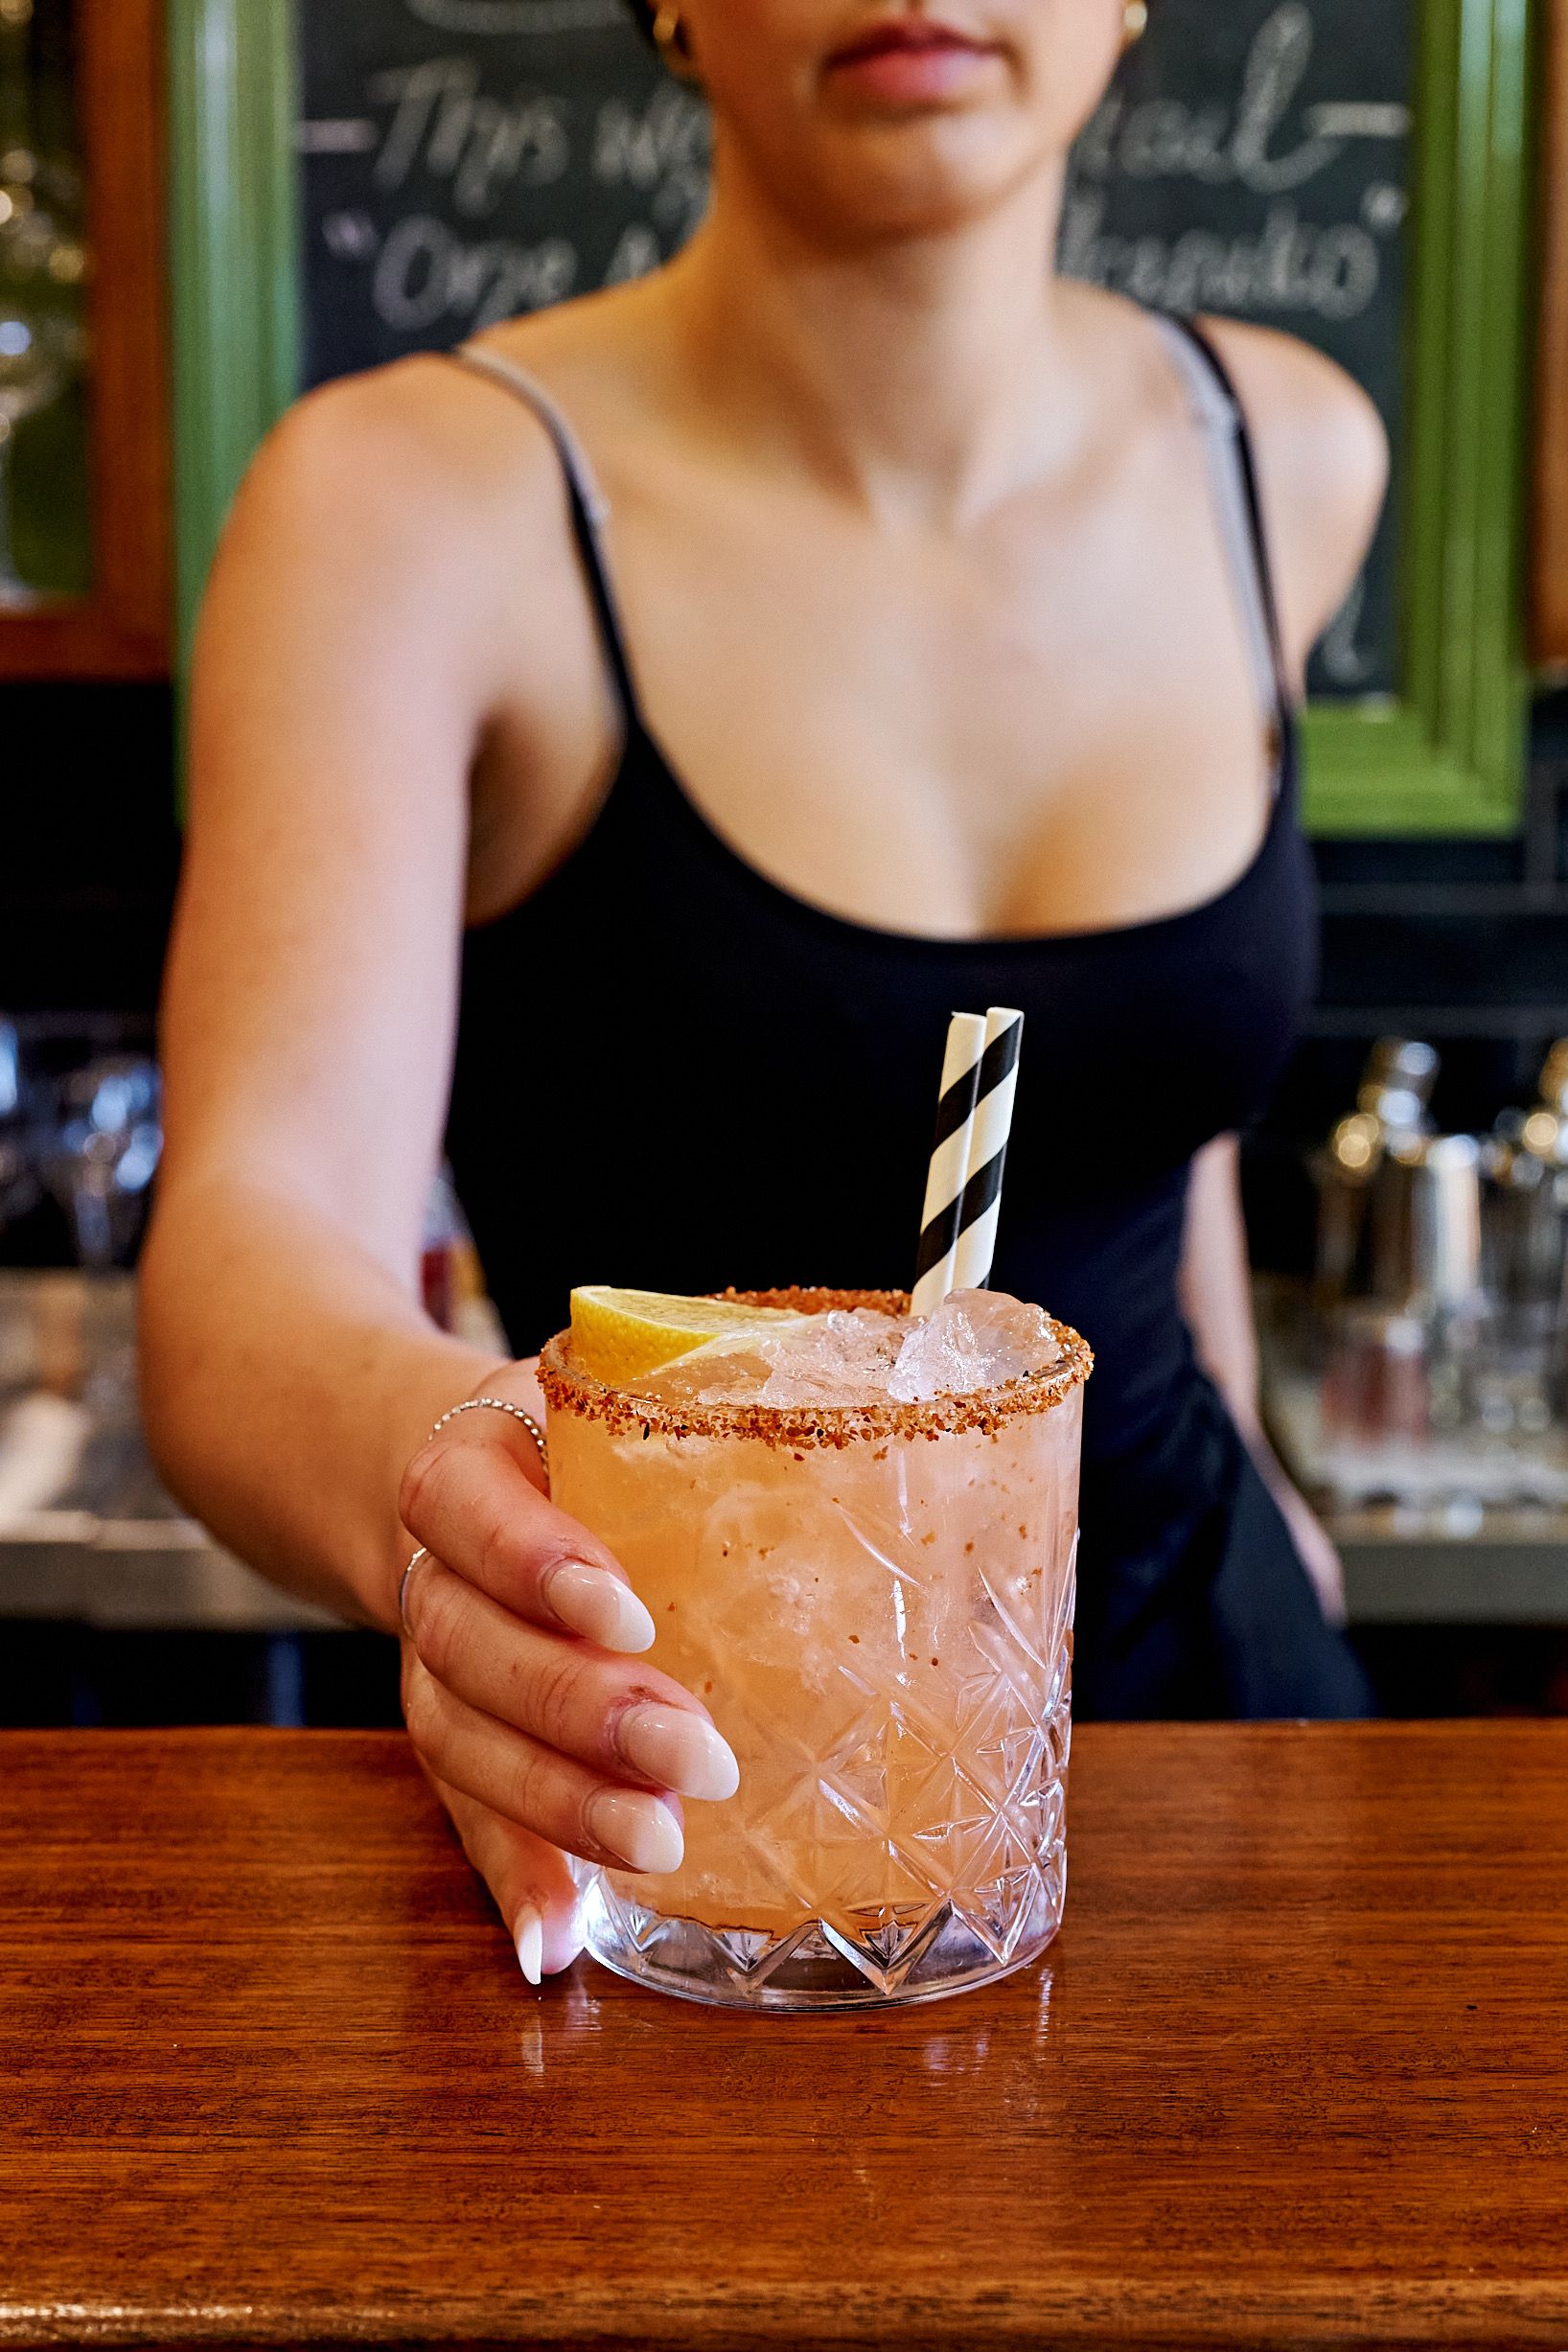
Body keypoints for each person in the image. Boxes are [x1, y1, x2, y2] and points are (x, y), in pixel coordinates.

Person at [141, 0, 1384, 1981]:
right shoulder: (410, 503)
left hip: (1223, 1730)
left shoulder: (1286, 457)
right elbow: (248, 1247)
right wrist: (483, 1530)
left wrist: (1248, 1449)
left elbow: (1169, 1104)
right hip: (667, 1785)